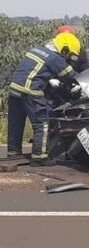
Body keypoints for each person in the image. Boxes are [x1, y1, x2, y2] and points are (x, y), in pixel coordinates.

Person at [7, 32, 81, 166]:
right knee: (41, 122)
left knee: (16, 123)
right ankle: (39, 158)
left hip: (14, 89)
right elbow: (71, 75)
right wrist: (79, 84)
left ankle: (13, 153)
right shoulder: (54, 58)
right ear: (64, 49)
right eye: (69, 54)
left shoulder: (37, 49)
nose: (68, 57)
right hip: (30, 90)